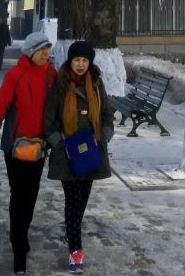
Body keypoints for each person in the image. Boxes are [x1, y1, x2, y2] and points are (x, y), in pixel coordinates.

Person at [0, 32, 57, 276]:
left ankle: (21, 233)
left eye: (48, 48)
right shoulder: (15, 76)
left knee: (31, 195)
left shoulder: (52, 76)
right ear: (29, 52)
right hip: (15, 148)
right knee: (19, 194)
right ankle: (19, 247)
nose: (45, 53)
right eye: (41, 49)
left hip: (39, 148)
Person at [44, 40, 114, 274]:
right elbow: (49, 120)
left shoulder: (95, 83)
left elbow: (106, 115)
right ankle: (76, 251)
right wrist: (59, 143)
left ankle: (72, 233)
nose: (81, 64)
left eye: (85, 60)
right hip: (68, 155)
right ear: (70, 61)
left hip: (91, 154)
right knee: (73, 203)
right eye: (77, 60)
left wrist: (102, 138)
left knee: (81, 203)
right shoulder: (61, 84)